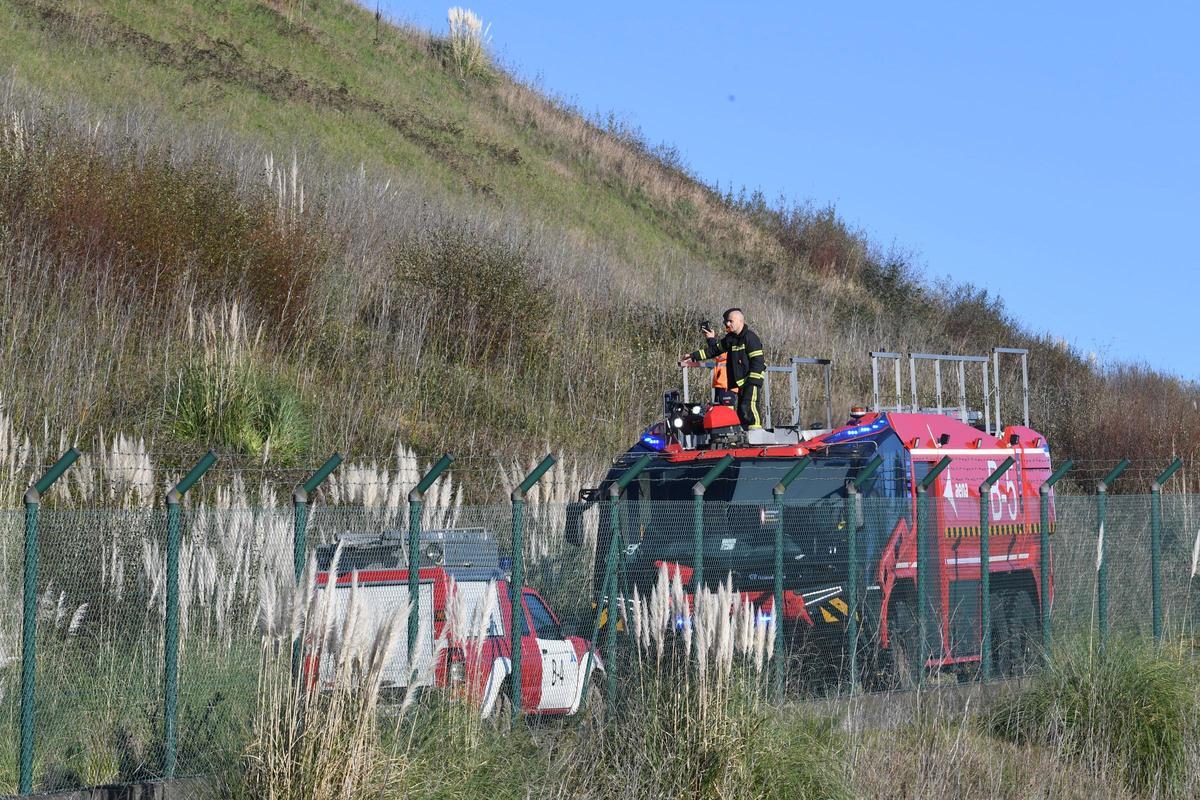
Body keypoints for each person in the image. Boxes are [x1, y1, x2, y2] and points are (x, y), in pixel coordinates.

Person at [679, 309, 766, 430]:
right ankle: (745, 434)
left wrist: (752, 381)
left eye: (730, 321)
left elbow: (758, 361)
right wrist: (693, 356)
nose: (727, 324)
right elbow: (714, 350)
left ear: (740, 320)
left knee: (749, 406)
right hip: (741, 382)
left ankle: (756, 432)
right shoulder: (730, 339)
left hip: (751, 380)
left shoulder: (750, 338)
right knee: (742, 410)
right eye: (726, 322)